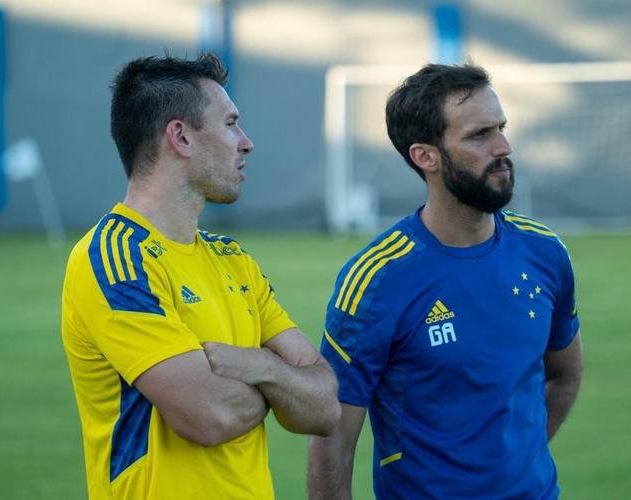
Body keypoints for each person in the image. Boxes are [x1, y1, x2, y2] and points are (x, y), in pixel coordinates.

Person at [60, 53, 340, 499]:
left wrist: (261, 366)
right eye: (230, 124)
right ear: (181, 137)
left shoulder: (232, 259)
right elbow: (208, 417)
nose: (246, 143)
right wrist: (283, 385)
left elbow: (325, 407)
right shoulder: (116, 259)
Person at [308, 63, 583, 499]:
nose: (503, 147)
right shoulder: (378, 279)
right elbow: (332, 441)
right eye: (479, 135)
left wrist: (515, 463)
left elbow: (565, 374)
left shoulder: (545, 252)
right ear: (426, 156)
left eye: (501, 128)